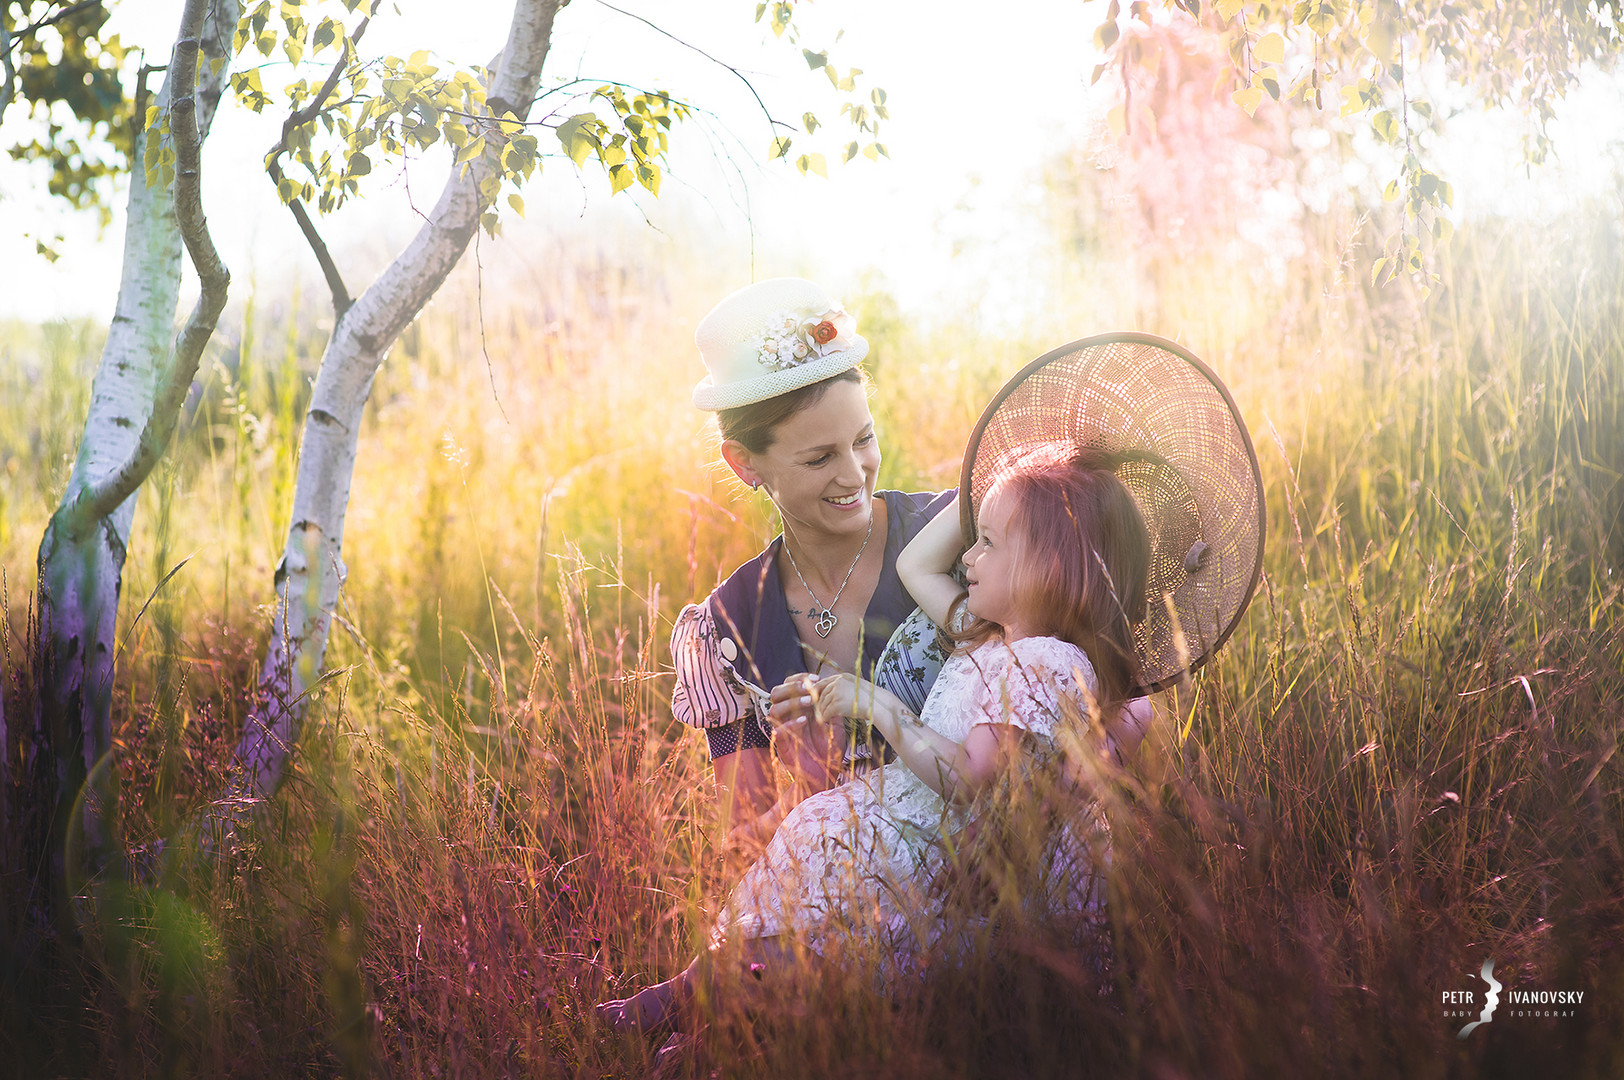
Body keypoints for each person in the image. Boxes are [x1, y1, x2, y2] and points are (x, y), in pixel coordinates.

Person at [600, 448, 1153, 1032]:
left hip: (962, 874)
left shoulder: (1047, 662)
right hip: (925, 832)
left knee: (830, 909)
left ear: (1046, 568)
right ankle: (699, 998)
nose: (966, 555)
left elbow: (973, 781)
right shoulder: (988, 632)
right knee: (815, 850)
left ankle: (707, 1002)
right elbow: (917, 566)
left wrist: (882, 707)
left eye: (987, 542)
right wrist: (998, 463)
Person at [670, 278, 954, 861]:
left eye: (864, 439)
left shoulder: (961, 539)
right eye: (820, 457)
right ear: (744, 463)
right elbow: (743, 848)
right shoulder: (726, 630)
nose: (854, 474)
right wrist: (809, 780)